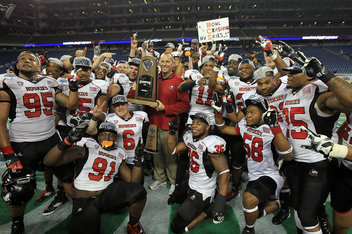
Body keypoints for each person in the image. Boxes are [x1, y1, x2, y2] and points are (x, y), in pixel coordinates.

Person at [0, 51, 79, 233]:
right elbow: (1, 122)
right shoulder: (7, 82)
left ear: (38, 65)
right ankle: (17, 223)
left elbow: (71, 105)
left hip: (50, 139)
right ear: (17, 65)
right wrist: (9, 155)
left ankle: (73, 203)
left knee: (67, 175)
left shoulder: (50, 82)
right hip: (23, 143)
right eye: (23, 59)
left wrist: (73, 89)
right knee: (19, 187)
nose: (27, 61)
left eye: (31, 59)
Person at [280, 51, 352, 233]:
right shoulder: (291, 93)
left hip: (317, 164)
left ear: (308, 74)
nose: (287, 75)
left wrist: (324, 74)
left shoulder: (321, 96)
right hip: (296, 162)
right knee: (298, 207)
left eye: (293, 72)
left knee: (306, 215)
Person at [43, 122, 147, 234]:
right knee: (88, 225)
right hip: (85, 198)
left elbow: (134, 183)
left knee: (139, 192)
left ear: (115, 139)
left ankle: (133, 225)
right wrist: (67, 141)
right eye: (103, 134)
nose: (107, 137)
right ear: (98, 137)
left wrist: (138, 161)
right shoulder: (86, 147)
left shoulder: (118, 154)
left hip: (106, 195)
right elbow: (48, 161)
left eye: (111, 135)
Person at [215, 97, 293, 234]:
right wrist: (218, 113)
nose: (247, 116)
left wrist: (275, 127)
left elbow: (288, 155)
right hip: (253, 174)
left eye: (253, 113)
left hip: (270, 174)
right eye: (247, 112)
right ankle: (278, 203)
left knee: (248, 200)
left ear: (264, 114)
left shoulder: (273, 128)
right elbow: (223, 129)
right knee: (253, 212)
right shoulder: (245, 125)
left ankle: (249, 229)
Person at [168, 112, 230, 233]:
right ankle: (206, 205)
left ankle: (209, 209)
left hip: (204, 190)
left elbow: (225, 173)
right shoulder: (189, 137)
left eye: (199, 123)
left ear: (207, 127)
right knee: (178, 199)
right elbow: (173, 150)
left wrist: (220, 205)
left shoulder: (211, 145)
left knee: (177, 227)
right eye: (193, 123)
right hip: (192, 182)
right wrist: (171, 133)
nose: (194, 126)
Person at [148, 52, 190, 195]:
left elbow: (185, 106)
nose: (164, 64)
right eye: (162, 61)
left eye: (168, 62)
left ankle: (173, 181)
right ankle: (159, 177)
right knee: (156, 152)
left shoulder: (179, 81)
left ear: (173, 64)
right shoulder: (154, 79)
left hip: (169, 124)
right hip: (153, 122)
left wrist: (166, 108)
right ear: (159, 63)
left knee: (170, 155)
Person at [87, 95, 149, 171]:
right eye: (117, 105)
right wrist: (94, 117)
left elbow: (147, 135)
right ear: (113, 108)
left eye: (122, 104)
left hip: (137, 158)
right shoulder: (110, 118)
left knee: (137, 181)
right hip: (118, 158)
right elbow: (90, 131)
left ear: (128, 105)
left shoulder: (141, 116)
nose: (120, 107)